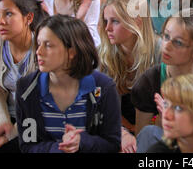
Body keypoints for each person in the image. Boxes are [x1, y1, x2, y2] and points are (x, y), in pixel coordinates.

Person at [16, 15, 121, 153]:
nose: (38, 52)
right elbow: (27, 146)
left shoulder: (104, 87)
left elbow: (112, 144)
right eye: (39, 43)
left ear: (72, 52)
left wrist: (81, 141)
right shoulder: (26, 88)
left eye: (48, 45)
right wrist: (58, 149)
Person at [131, 8, 193, 151]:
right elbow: (142, 139)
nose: (166, 46)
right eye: (166, 36)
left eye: (177, 43)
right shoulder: (149, 81)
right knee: (149, 132)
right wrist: (163, 121)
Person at [0, 0, 48, 152]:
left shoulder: (43, 47)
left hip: (38, 119)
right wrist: (3, 123)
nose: (0, 21)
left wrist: (9, 134)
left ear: (28, 18)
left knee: (10, 147)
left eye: (8, 14)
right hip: (9, 116)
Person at [98, 0, 161, 153]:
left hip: (157, 129)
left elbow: (169, 106)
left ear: (137, 22)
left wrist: (139, 132)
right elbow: (99, 107)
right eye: (106, 21)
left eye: (115, 21)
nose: (107, 28)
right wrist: (123, 133)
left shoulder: (161, 52)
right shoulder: (104, 55)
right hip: (117, 128)